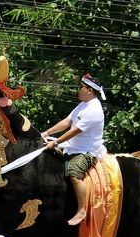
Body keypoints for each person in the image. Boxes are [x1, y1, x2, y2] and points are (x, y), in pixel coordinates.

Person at [42, 73, 106, 227]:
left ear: (89, 90)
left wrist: (55, 142)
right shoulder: (84, 104)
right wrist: (47, 133)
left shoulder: (94, 110)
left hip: (86, 151)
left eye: (81, 87)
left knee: (73, 171)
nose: (78, 90)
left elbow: (75, 130)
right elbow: (67, 122)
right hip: (71, 147)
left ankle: (82, 210)